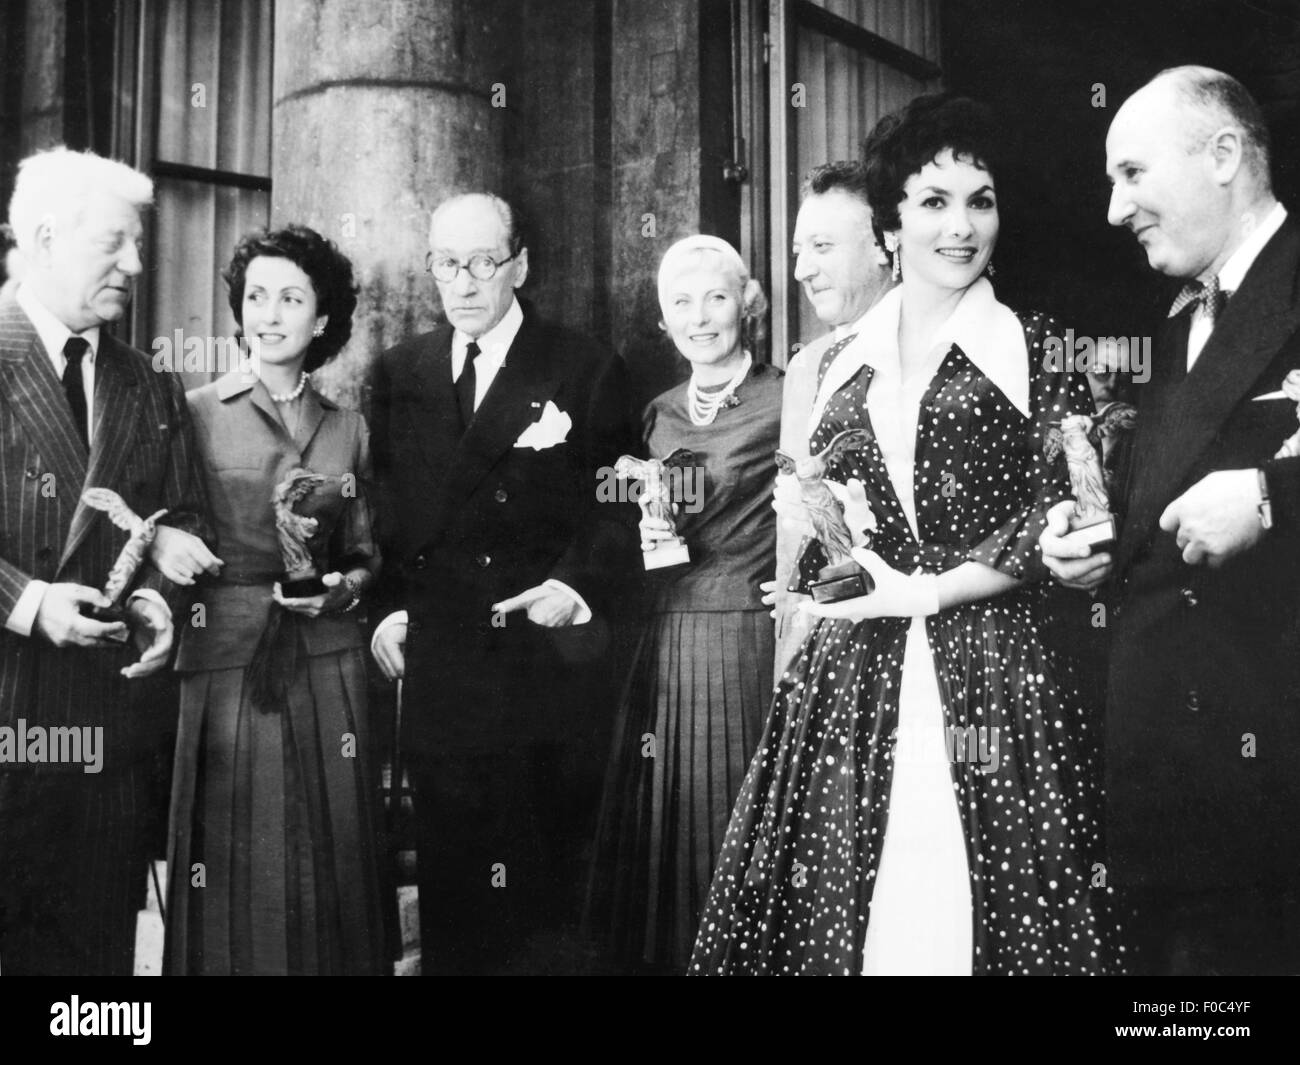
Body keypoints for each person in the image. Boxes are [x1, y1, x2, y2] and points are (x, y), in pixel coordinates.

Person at [691, 94, 1118, 975]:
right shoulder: (841, 360)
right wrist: (817, 547)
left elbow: (1056, 511)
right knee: (843, 915)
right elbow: (823, 514)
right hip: (849, 675)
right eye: (933, 201)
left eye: (981, 200)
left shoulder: (1040, 349)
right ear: (889, 223)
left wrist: (925, 589)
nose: (961, 226)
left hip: (995, 670)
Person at [1041, 66, 1300, 975]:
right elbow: (1154, 509)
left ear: (1224, 154)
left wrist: (1273, 494)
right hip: (1168, 777)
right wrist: (1086, 545)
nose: (1115, 211)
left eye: (1133, 174)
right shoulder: (1162, 322)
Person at [369, 192, 638, 974]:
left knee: (540, 895)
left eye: (483, 261)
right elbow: (383, 516)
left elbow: (621, 504)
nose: (464, 281)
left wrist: (577, 586)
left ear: (520, 263)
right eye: (446, 263)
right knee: (454, 891)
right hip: (443, 677)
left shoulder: (584, 366)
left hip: (542, 672)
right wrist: (386, 611)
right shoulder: (400, 371)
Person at [0, 147, 209, 975]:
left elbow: (181, 517)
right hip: (10, 718)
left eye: (139, 243)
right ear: (46, 238)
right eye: (113, 243)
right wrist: (27, 601)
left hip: (108, 740)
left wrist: (158, 602)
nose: (136, 263)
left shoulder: (147, 385)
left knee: (94, 969)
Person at [160, 225, 387, 975]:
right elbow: (173, 523)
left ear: (322, 319)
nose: (269, 312)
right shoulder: (193, 410)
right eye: (256, 296)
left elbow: (363, 552)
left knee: (333, 849)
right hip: (228, 659)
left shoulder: (348, 426)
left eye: (291, 297)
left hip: (329, 661)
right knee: (236, 861)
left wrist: (344, 591)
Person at [586, 235, 782, 972]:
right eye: (682, 303)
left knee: (740, 814)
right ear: (665, 321)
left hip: (747, 638)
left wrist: (798, 577)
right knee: (672, 830)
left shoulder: (787, 397)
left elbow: (831, 499)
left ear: (748, 304)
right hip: (665, 638)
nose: (701, 317)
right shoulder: (655, 414)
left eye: (717, 297)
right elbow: (618, 513)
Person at [767, 162, 895, 678]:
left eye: (822, 248)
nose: (800, 271)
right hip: (815, 653)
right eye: (800, 252)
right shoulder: (806, 365)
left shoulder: (941, 353)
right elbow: (794, 528)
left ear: (886, 246)